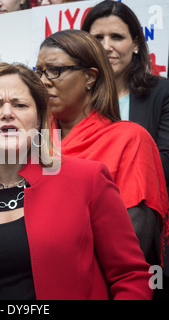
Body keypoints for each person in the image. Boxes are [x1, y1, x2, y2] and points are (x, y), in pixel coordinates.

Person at [0, 62, 153, 300]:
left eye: (20, 104)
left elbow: (131, 276)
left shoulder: (88, 179)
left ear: (37, 119)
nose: (7, 113)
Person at [35, 29, 168, 267]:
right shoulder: (31, 143)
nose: (43, 81)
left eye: (55, 70)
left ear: (90, 77)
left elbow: (133, 243)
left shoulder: (130, 140)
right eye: (39, 72)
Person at [81, 0, 169, 189]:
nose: (106, 46)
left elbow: (164, 164)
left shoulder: (162, 93)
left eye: (116, 37)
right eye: (97, 38)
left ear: (135, 43)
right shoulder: (75, 98)